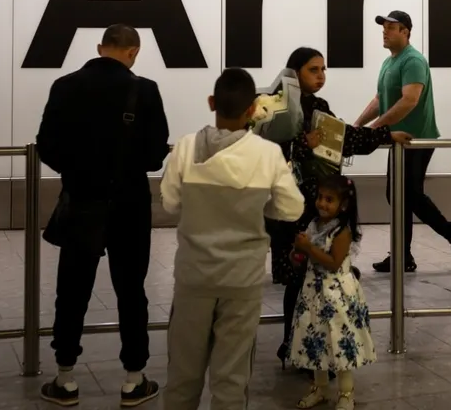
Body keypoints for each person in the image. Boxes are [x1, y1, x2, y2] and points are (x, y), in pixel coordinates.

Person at [36, 24, 170, 407]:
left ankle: (65, 379)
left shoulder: (64, 86)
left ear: (100, 47)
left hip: (81, 201)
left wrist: (78, 171)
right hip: (129, 203)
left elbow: (47, 146)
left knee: (72, 289)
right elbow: (155, 153)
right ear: (134, 52)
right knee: (131, 290)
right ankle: (134, 379)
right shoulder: (144, 90)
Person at [160, 68, 305, 410]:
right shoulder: (266, 154)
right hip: (242, 279)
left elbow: (169, 203)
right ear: (254, 109)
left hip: (194, 276)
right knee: (231, 379)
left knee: (182, 375)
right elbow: (291, 209)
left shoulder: (185, 147)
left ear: (211, 102)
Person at [269, 47, 411, 368]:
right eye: (313, 70)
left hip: (318, 207)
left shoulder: (319, 106)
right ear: (295, 73)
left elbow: (343, 138)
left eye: (323, 70)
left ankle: (311, 351)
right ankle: (293, 346)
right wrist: (304, 144)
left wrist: (385, 135)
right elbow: (264, 149)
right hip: (289, 206)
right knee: (297, 278)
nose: (320, 77)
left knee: (316, 275)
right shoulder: (274, 109)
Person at [354, 10, 451, 273]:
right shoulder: (390, 62)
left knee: (408, 195)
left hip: (416, 140)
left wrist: (375, 128)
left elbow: (410, 100)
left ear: (406, 32)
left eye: (391, 27)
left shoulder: (413, 61)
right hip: (397, 139)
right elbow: (379, 99)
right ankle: (403, 255)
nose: (385, 32)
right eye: (383, 28)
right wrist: (358, 125)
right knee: (398, 195)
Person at [289, 176, 375, 410]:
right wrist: (298, 254)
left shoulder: (341, 231)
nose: (322, 203)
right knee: (316, 341)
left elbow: (334, 263)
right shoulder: (314, 224)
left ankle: (346, 393)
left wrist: (309, 248)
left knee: (337, 340)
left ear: (343, 205)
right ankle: (320, 389)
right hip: (313, 293)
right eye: (320, 197)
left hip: (336, 296)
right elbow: (305, 256)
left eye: (329, 199)